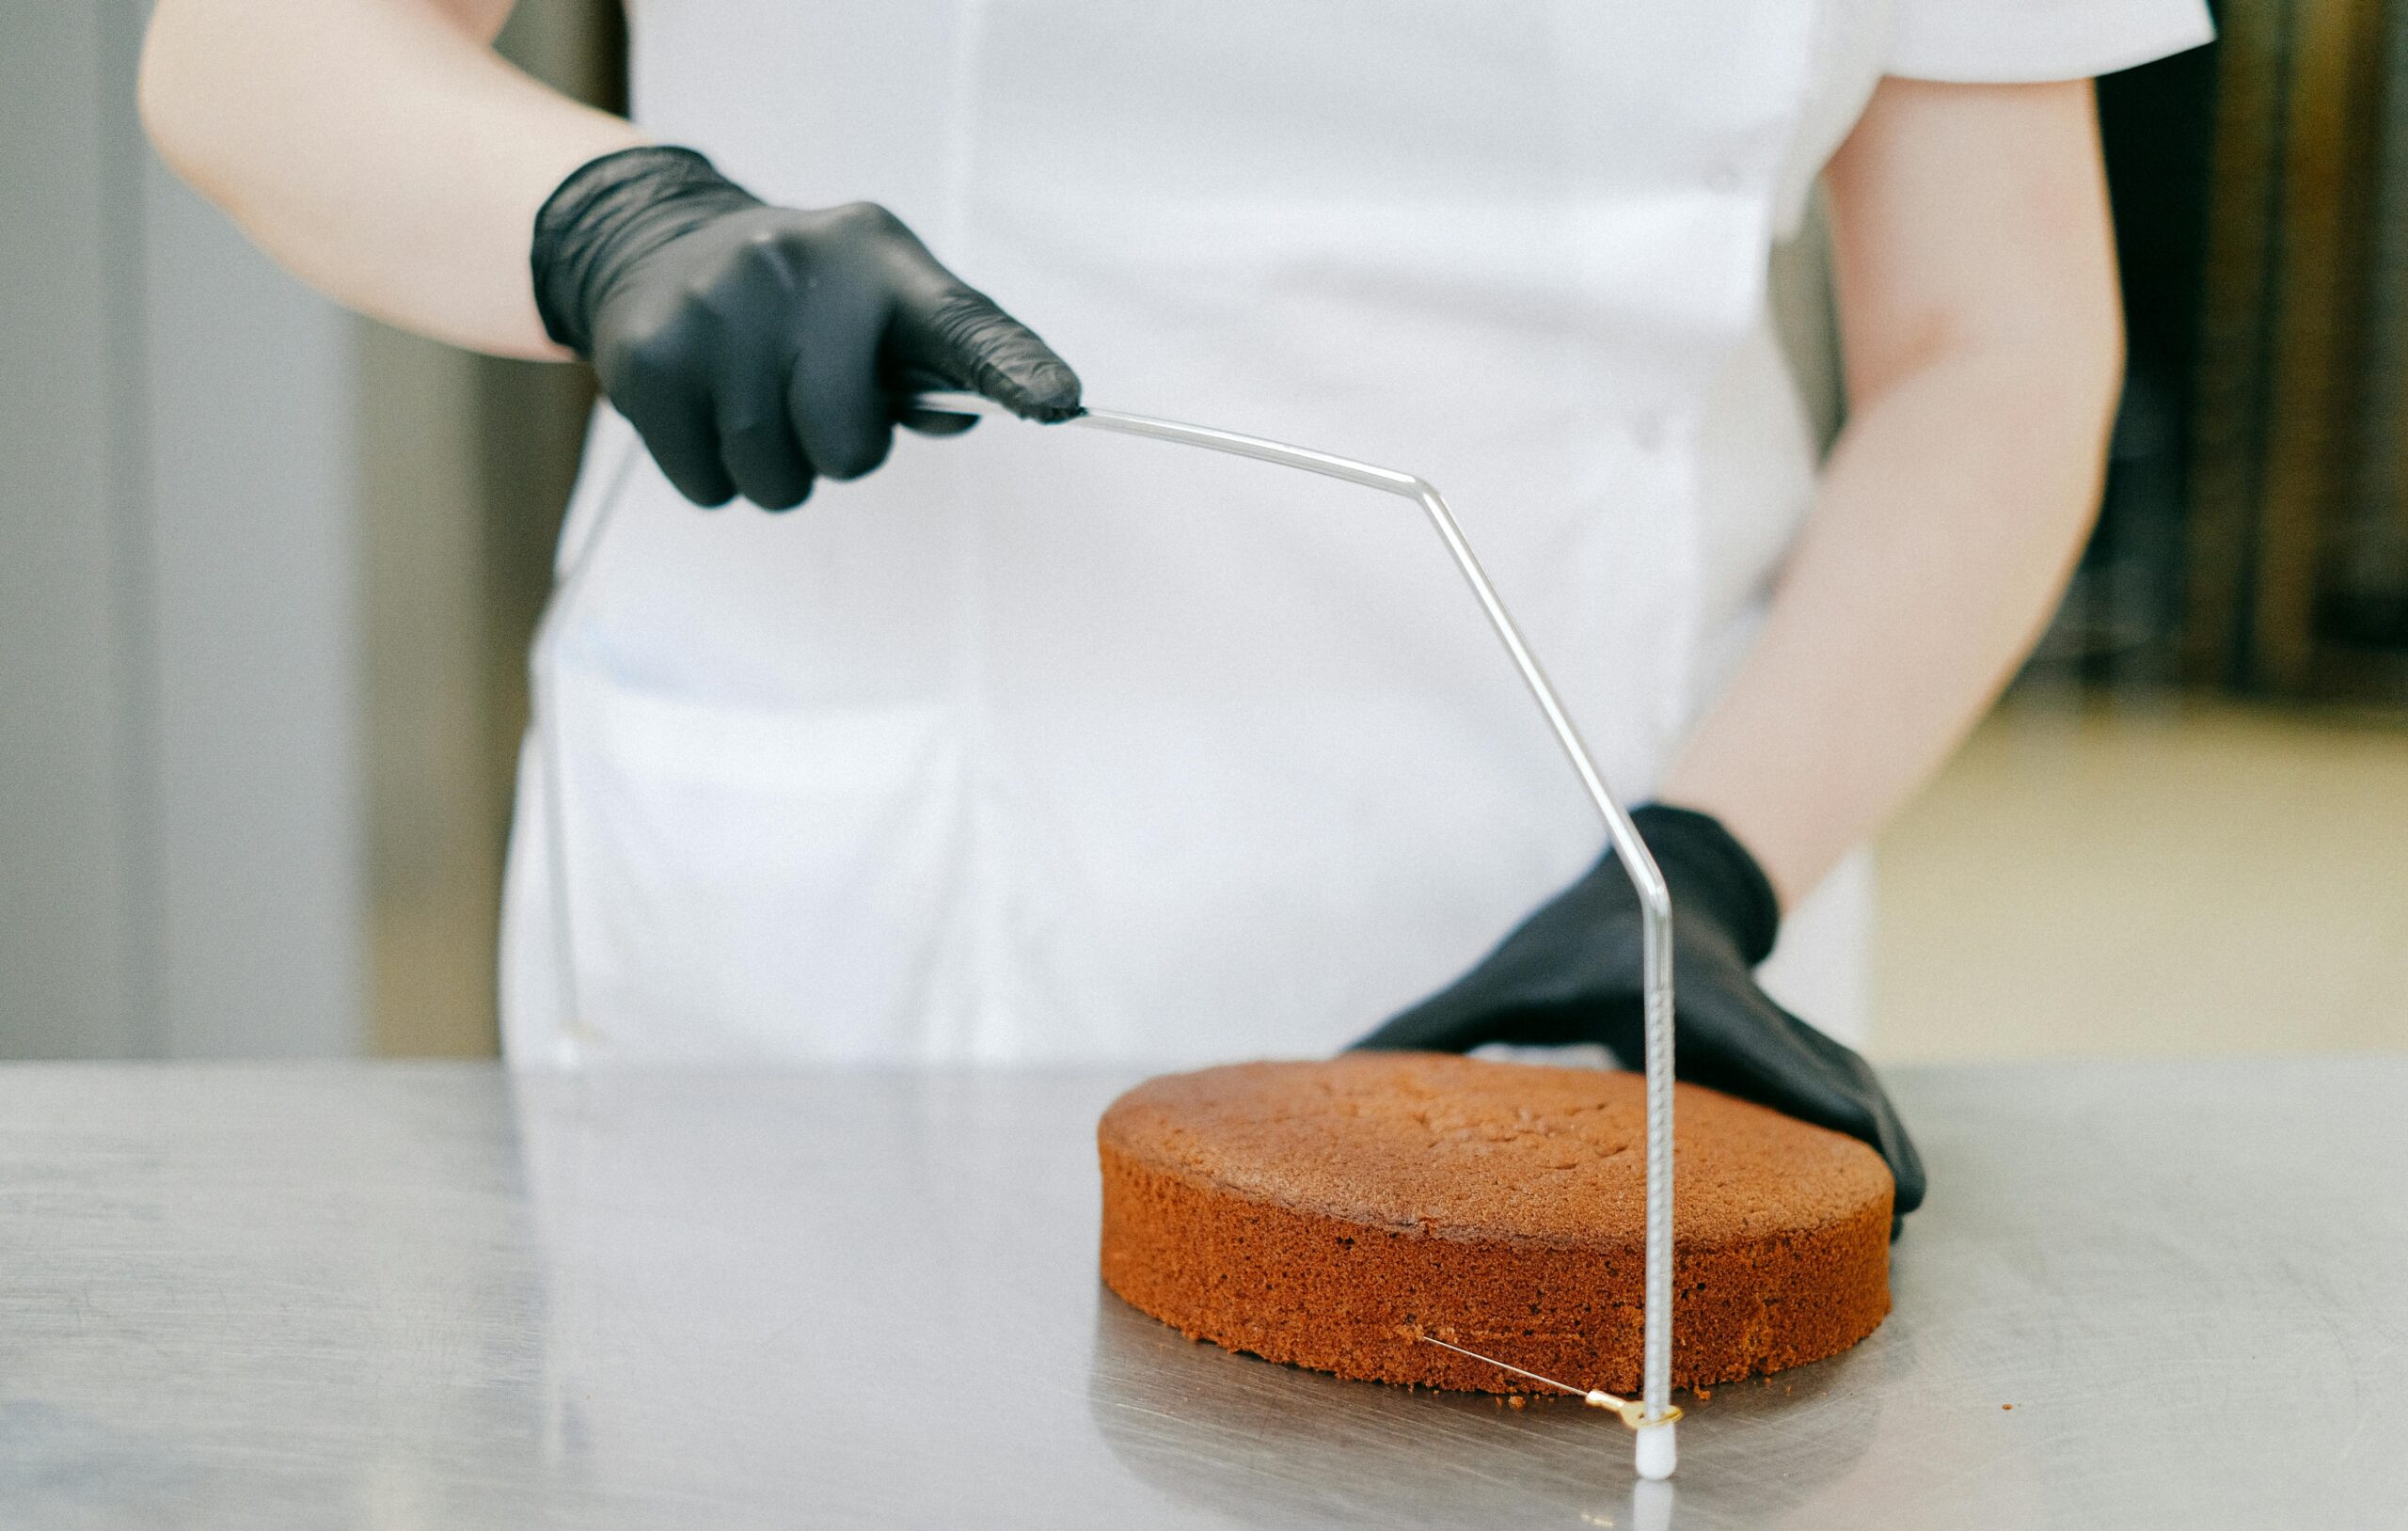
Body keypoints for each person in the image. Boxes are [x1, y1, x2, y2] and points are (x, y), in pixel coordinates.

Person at [140, 0, 2215, 1217]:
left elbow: (1996, 336)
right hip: (850, 926)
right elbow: (256, 52)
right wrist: (603, 218)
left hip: (1603, 883)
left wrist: (1701, 873)